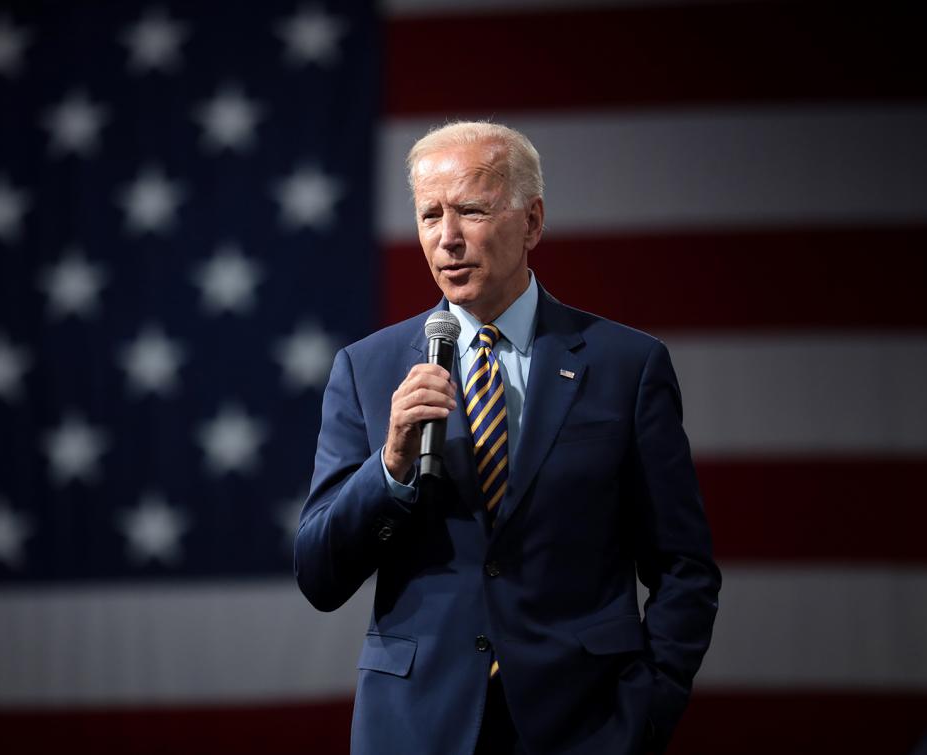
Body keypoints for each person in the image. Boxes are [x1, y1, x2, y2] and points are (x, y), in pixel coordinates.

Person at [295, 122, 720, 755]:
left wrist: (647, 712)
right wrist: (390, 467)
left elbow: (684, 568)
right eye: (430, 215)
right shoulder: (367, 367)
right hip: (416, 727)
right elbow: (320, 575)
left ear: (532, 221)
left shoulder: (626, 365)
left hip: (586, 726)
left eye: (471, 210)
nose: (447, 239)